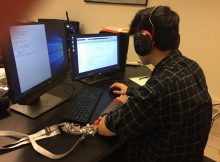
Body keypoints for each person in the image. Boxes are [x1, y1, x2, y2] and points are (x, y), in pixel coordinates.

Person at [97, 6, 212, 162]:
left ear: (144, 42)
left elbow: (106, 128)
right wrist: (131, 92)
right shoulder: (192, 66)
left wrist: (118, 102)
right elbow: (162, 101)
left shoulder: (159, 88)